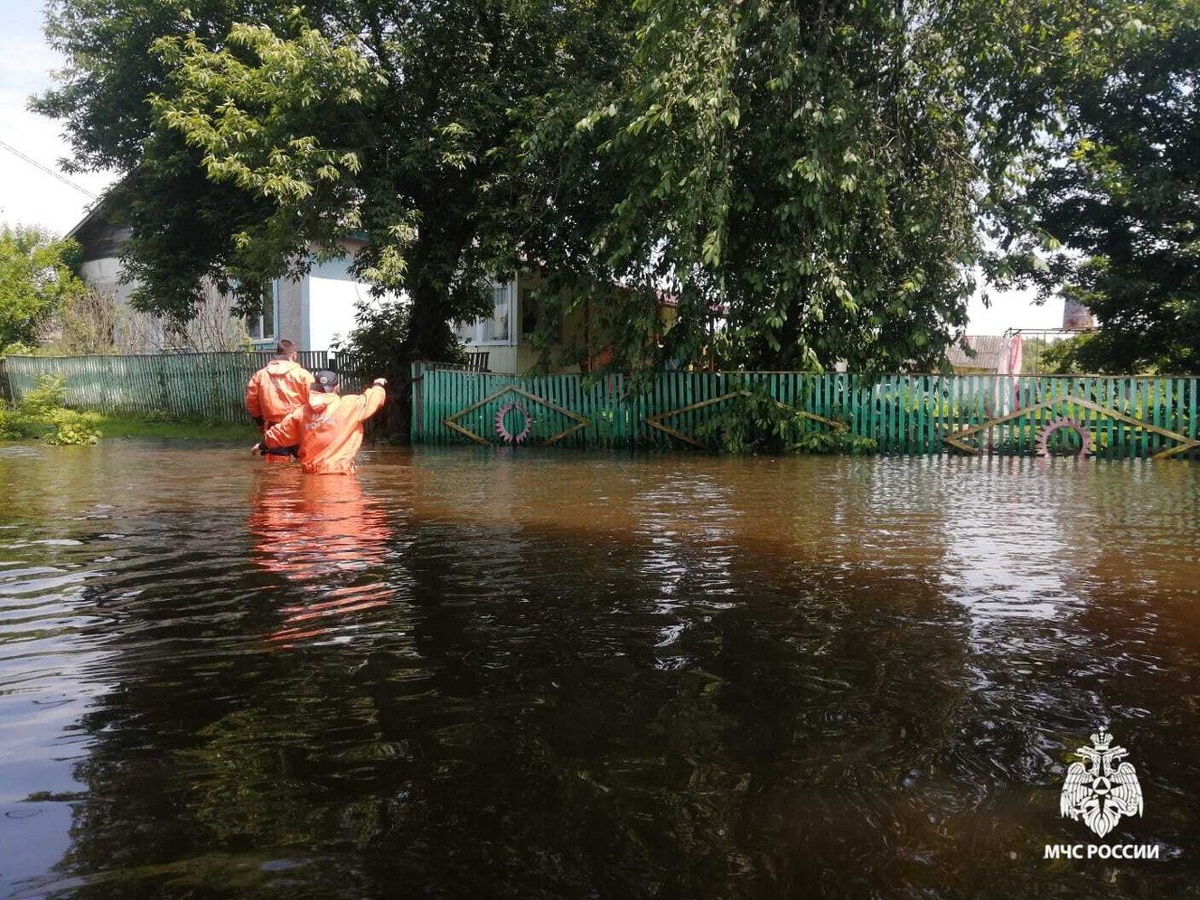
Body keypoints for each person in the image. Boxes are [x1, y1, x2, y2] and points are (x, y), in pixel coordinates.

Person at [253, 370, 387, 474]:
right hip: (340, 474)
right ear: (337, 388)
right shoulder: (351, 405)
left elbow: (279, 434)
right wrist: (378, 384)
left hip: (310, 474)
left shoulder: (301, 413)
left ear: (314, 388)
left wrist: (262, 445)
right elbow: (374, 398)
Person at [245, 339, 315, 460]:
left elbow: (252, 402)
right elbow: (315, 400)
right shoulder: (303, 375)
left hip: (274, 428)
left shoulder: (260, 375)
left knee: (275, 472)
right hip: (300, 426)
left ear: (276, 355)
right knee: (307, 464)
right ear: (294, 355)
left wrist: (261, 423)